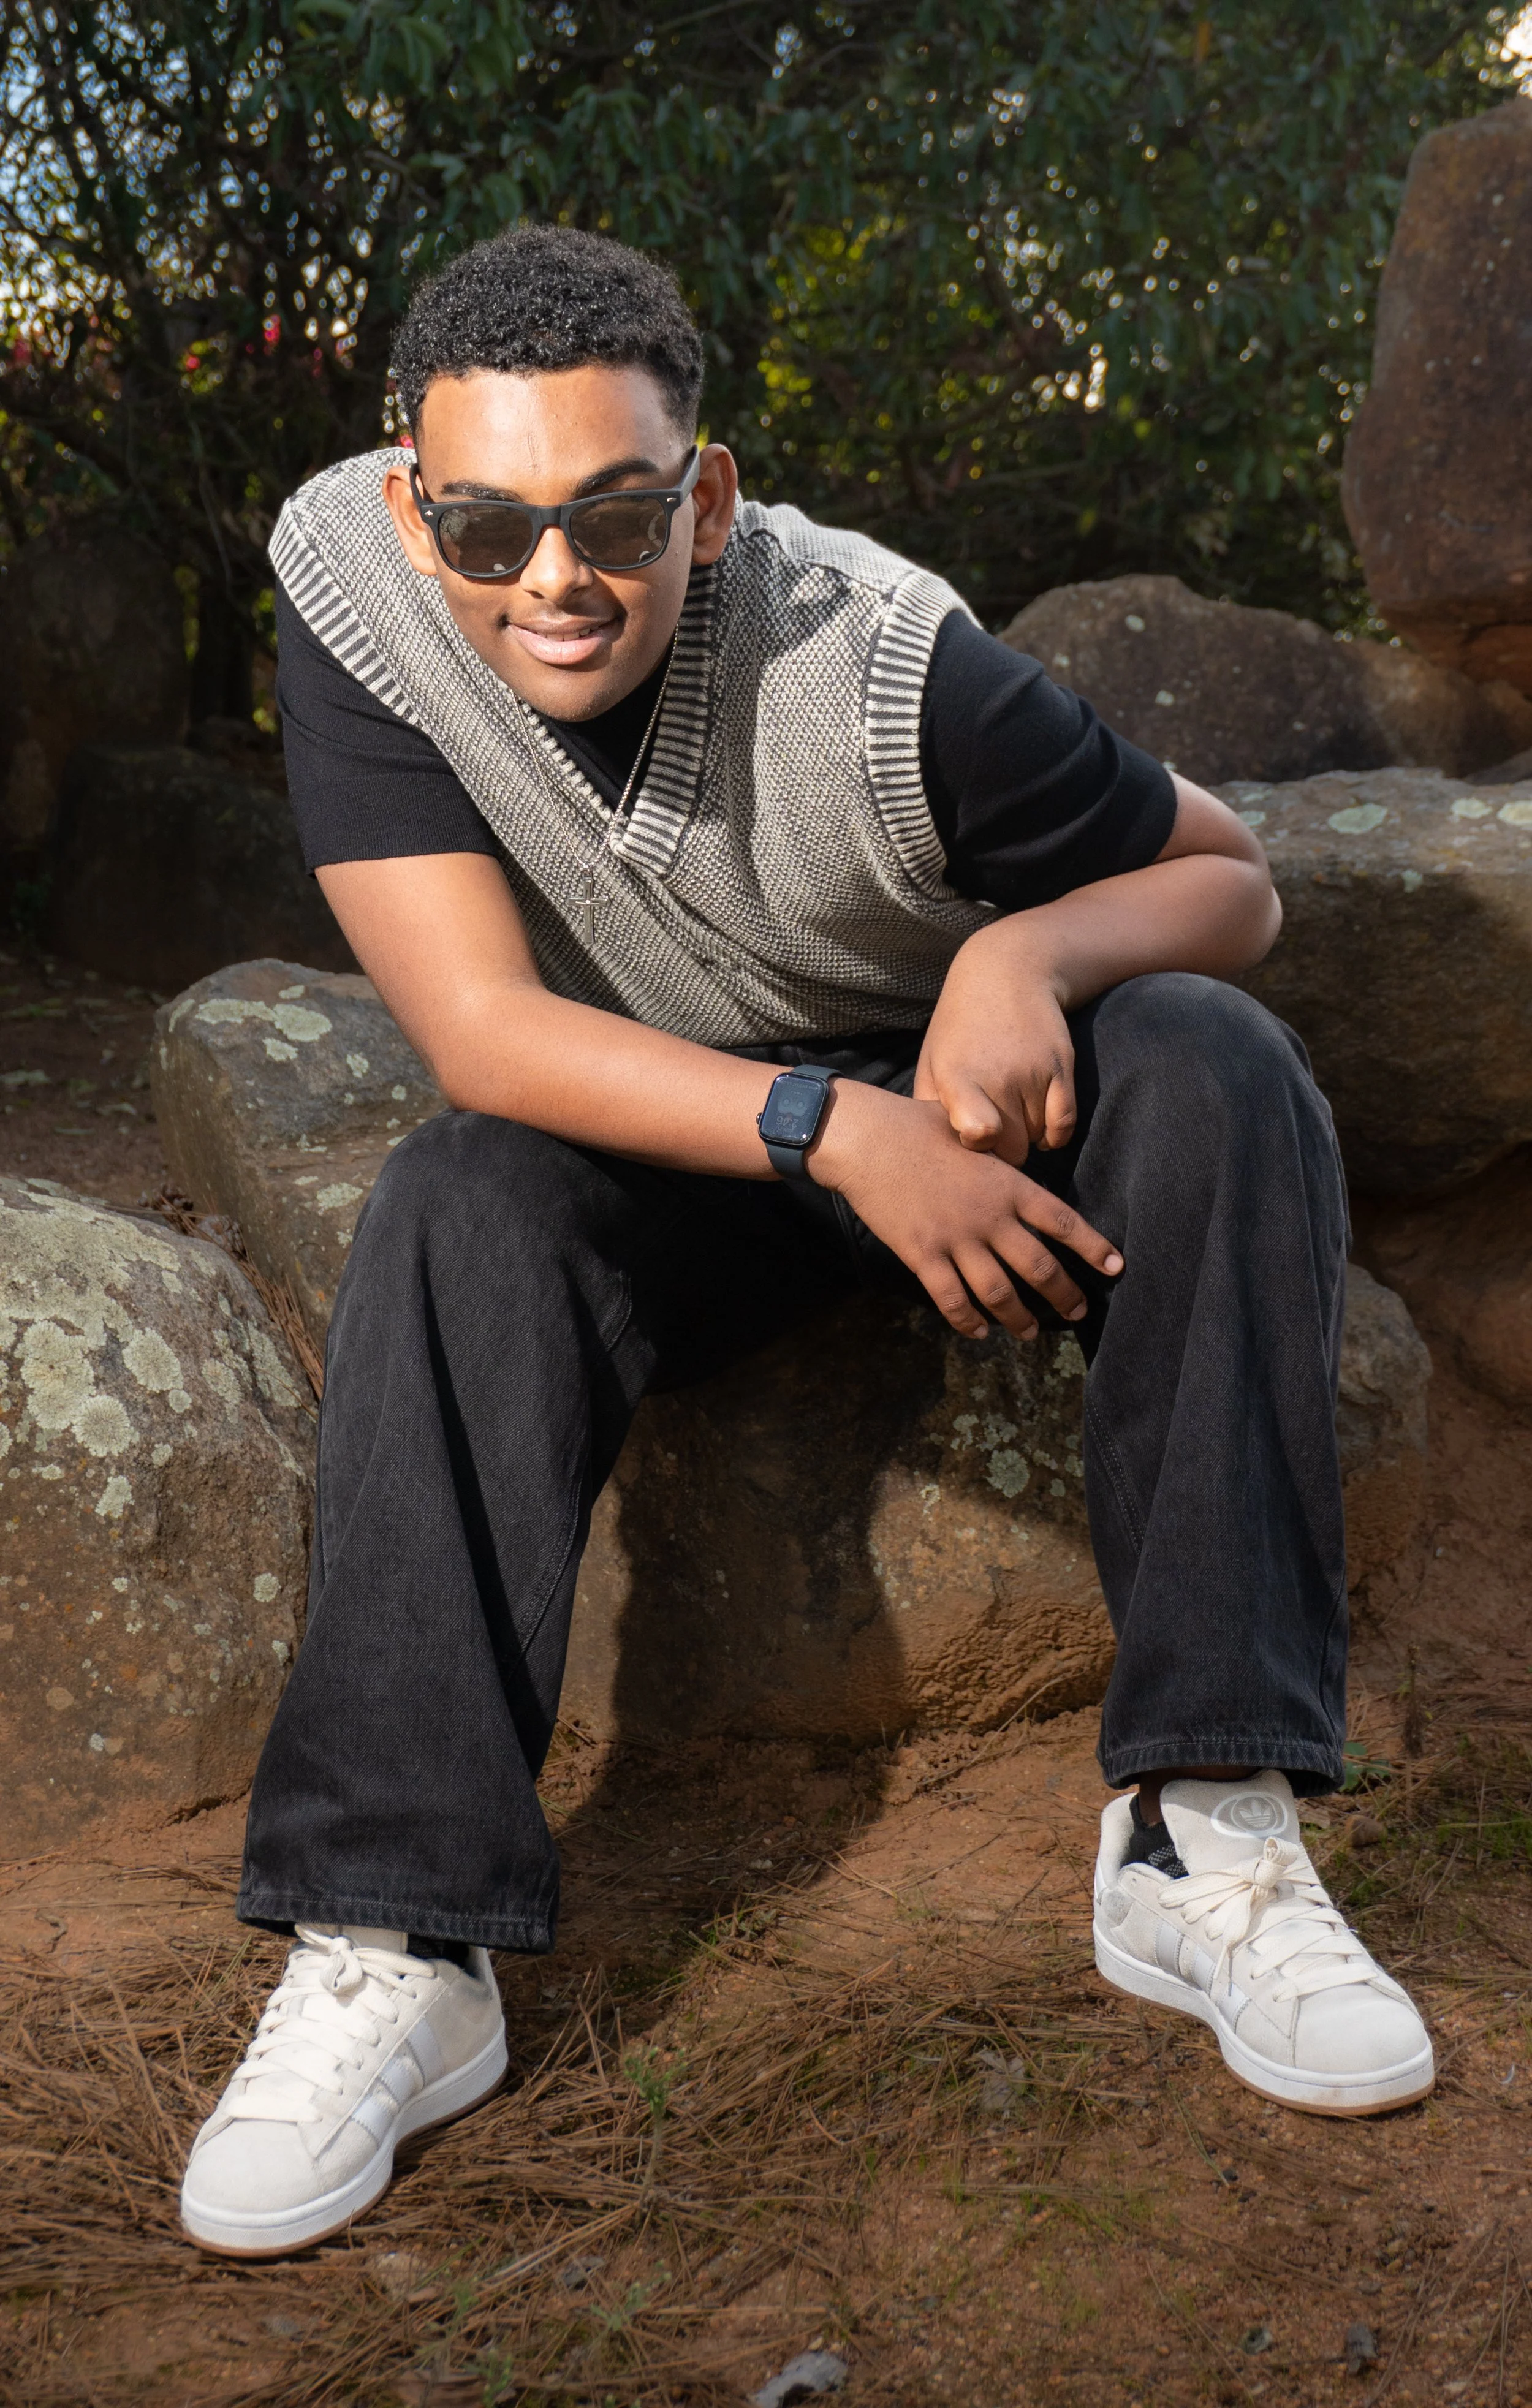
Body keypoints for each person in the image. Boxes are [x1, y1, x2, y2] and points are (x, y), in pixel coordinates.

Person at [178, 224, 1432, 2258]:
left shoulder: (882, 664)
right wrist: (830, 1133)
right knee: (453, 1198)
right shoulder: (353, 576)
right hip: (729, 1139)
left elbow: (1232, 881)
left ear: (711, 494)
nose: (551, 580)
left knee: (1211, 1062)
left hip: (986, 1114)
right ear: (416, 505)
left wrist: (1019, 957)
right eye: (488, 526)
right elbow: (484, 1036)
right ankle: (396, 1939)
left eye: (613, 516)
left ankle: (1207, 1827)